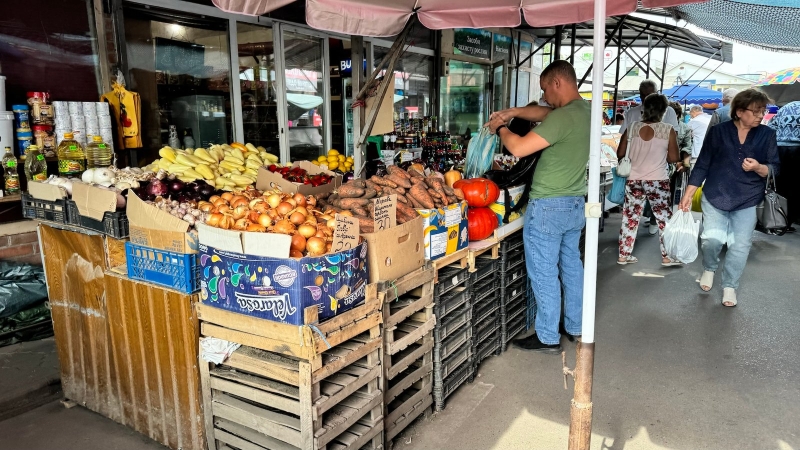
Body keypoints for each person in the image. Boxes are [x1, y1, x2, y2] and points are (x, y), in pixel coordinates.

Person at [486, 60, 588, 353]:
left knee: (544, 272)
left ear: (557, 82)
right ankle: (575, 326)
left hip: (548, 206)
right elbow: (545, 112)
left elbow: (517, 148)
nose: (544, 97)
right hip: (574, 204)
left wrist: (501, 127)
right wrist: (516, 111)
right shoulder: (583, 111)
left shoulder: (562, 118)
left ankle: (547, 336)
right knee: (571, 267)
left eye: (545, 89)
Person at [679, 89, 780, 307]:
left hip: (748, 197)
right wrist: (688, 194)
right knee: (712, 239)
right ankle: (709, 267)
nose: (760, 115)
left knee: (740, 245)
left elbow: (775, 168)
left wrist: (759, 167)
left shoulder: (767, 135)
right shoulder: (718, 132)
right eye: (756, 111)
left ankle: (730, 286)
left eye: (763, 111)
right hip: (715, 193)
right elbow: (703, 163)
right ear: (740, 111)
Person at [616, 94, 682, 266]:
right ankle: (667, 256)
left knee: (630, 216)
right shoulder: (668, 130)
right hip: (658, 179)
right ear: (664, 110)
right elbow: (673, 157)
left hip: (634, 179)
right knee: (663, 219)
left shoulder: (632, 127)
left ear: (644, 108)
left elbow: (620, 153)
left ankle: (624, 255)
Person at [768, 101, 800, 230]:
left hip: (779, 148)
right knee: (796, 186)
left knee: (781, 185)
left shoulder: (786, 107)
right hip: (798, 149)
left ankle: (779, 219)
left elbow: (771, 126)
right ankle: (792, 219)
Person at [670, 102, 693, 206]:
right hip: (660, 163)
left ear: (678, 115)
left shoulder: (685, 128)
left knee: (672, 190)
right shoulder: (660, 126)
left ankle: (664, 217)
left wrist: (685, 164)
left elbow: (687, 147)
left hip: (677, 164)